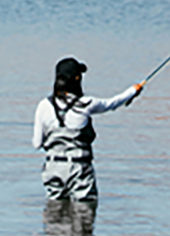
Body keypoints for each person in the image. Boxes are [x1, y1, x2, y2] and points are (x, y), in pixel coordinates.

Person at [33, 57, 144, 201]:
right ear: (77, 79)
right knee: (84, 216)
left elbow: (37, 144)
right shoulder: (86, 104)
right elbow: (111, 104)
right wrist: (133, 91)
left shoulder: (43, 105)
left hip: (52, 168)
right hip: (79, 168)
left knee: (54, 215)